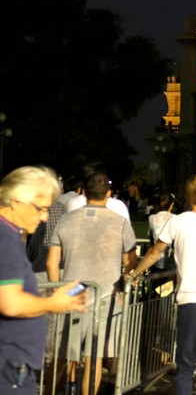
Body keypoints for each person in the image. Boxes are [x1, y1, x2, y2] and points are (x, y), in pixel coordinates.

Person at [132, 160, 196, 395]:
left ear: (187, 197)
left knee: (186, 363)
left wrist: (133, 274)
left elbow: (154, 253)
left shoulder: (177, 222)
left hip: (190, 298)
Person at [46, 169, 137, 395]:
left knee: (64, 355)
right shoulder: (120, 223)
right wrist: (123, 287)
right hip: (106, 295)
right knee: (94, 358)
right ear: (109, 193)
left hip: (71, 292)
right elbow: (130, 262)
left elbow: (51, 262)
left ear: (84, 193)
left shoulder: (66, 220)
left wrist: (56, 291)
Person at [0, 166, 88, 395]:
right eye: (41, 208)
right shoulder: (6, 239)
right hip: (10, 368)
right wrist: (52, 303)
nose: (45, 217)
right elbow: (10, 302)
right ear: (16, 202)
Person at [26, 174, 80, 281]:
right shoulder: (64, 210)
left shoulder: (35, 212)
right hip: (61, 268)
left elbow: (32, 245)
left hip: (39, 267)